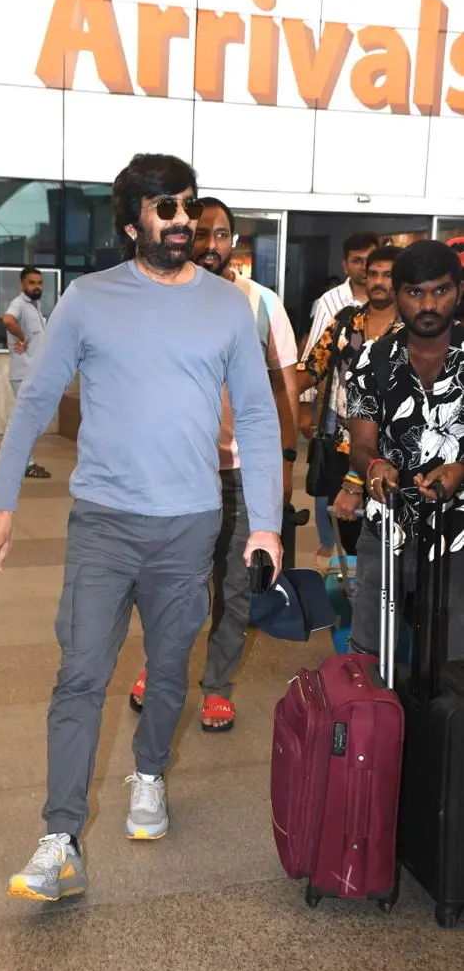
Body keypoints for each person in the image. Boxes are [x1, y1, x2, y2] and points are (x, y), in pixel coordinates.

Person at [0, 153, 283, 902]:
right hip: (104, 523)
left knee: (169, 669)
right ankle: (59, 836)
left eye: (187, 209)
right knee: (79, 673)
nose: (182, 223)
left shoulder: (225, 306)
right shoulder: (86, 299)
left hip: (189, 523)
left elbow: (261, 419)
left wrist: (265, 524)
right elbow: (36, 399)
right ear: (131, 221)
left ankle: (148, 775)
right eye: (165, 209)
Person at [128, 196, 298, 732]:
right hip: (176, 471)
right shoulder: (155, 299)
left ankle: (217, 685)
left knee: (236, 586)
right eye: (201, 233)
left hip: (245, 473)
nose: (210, 245)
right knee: (174, 582)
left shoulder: (261, 303)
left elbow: (285, 391)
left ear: (234, 243)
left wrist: (284, 464)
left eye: (221, 235)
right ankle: (159, 667)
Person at [345, 239, 464, 660]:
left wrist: (461, 469)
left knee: (452, 663)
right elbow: (360, 443)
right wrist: (374, 465)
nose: (429, 303)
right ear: (396, 295)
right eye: (415, 292)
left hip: (458, 536)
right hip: (387, 528)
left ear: (459, 291)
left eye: (441, 290)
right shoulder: (371, 362)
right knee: (371, 657)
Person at [298, 246, 403, 555]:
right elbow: (313, 365)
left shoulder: (409, 332)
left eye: (388, 275)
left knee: (384, 537)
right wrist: (274, 388)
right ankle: (358, 596)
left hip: (387, 451)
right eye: (373, 274)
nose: (379, 282)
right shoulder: (347, 321)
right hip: (340, 444)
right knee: (348, 532)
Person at [4, 266, 51, 479]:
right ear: (23, 284)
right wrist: (22, 336)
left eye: (39, 283)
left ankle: (21, 462)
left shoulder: (35, 307)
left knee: (29, 421)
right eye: (32, 283)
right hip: (24, 373)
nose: (36, 287)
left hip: (34, 373)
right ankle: (26, 463)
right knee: (28, 422)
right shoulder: (19, 304)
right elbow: (7, 320)